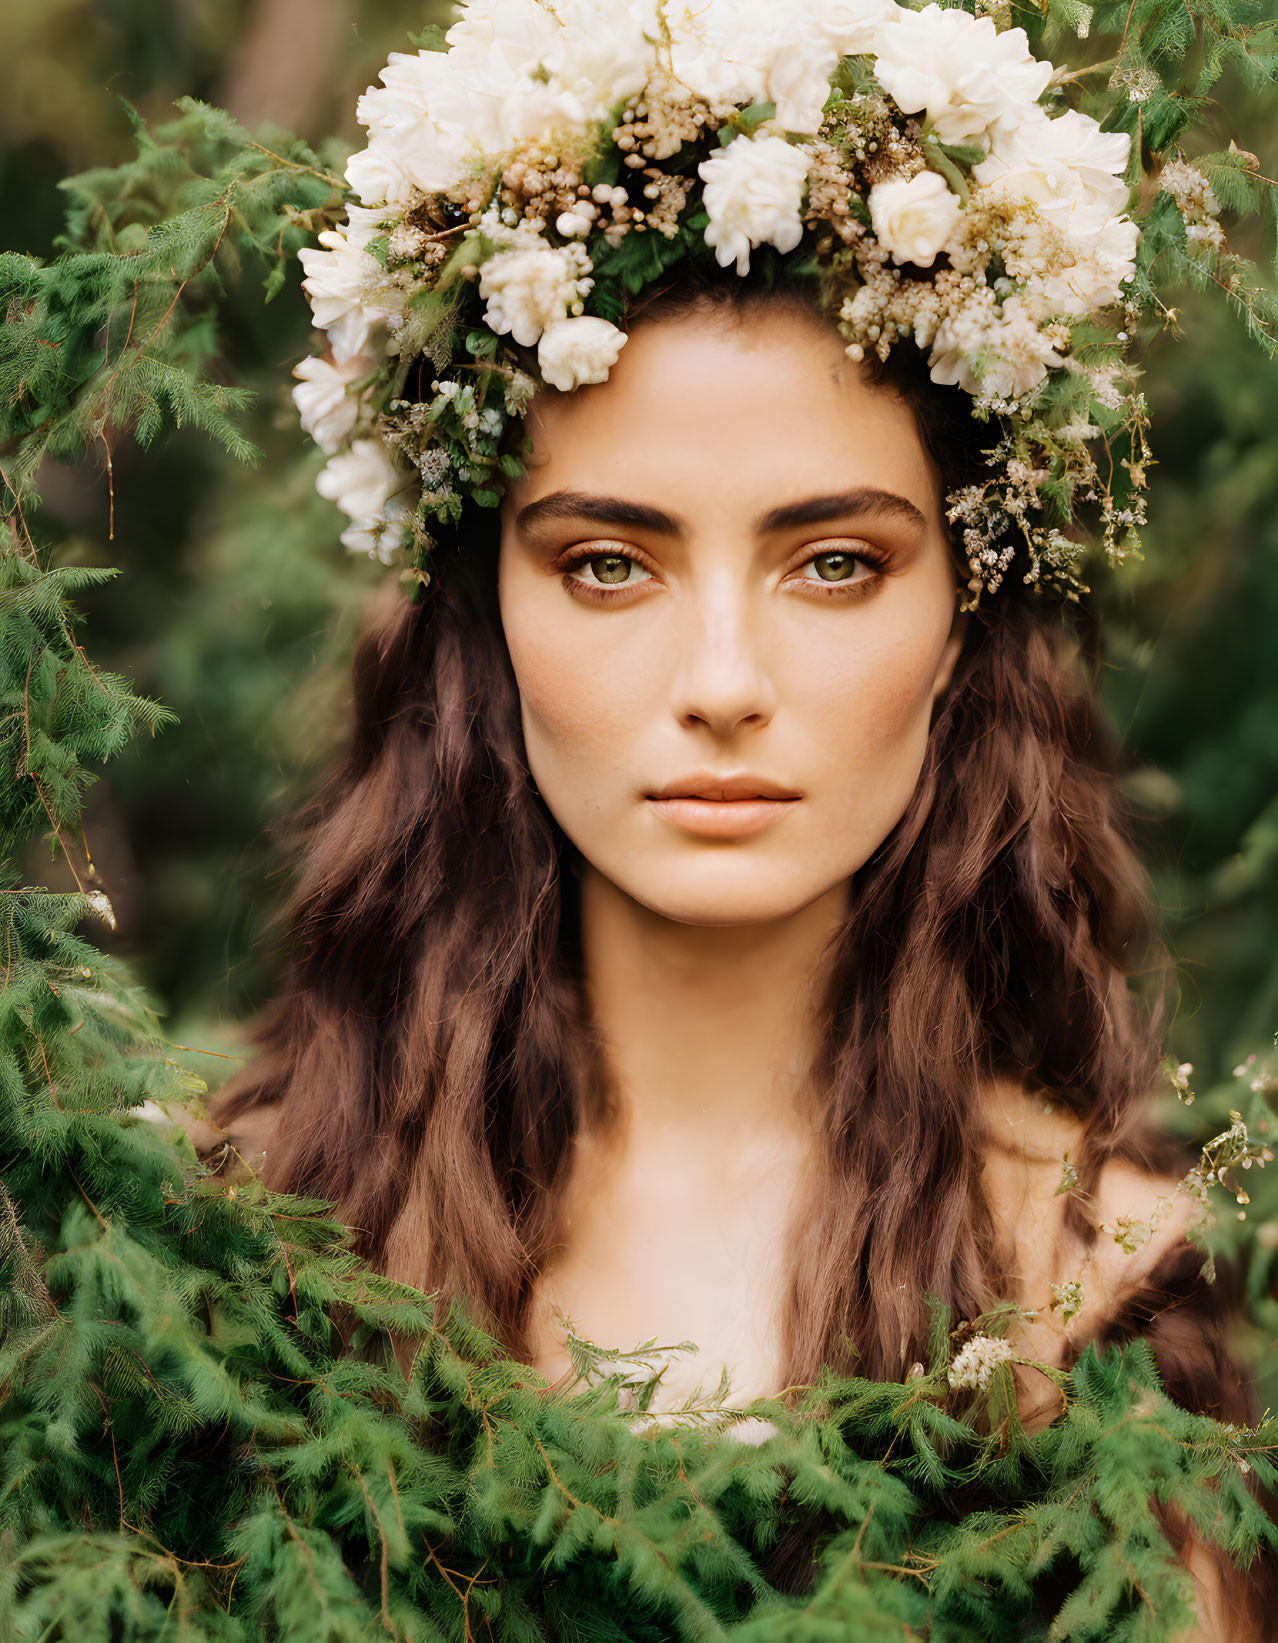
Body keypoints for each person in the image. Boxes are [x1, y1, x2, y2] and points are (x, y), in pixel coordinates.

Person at [200, 0, 1277, 1631]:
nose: (721, 680)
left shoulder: (1104, 1297)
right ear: (482, 616)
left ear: (961, 628)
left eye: (832, 563)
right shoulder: (237, 1254)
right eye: (608, 564)